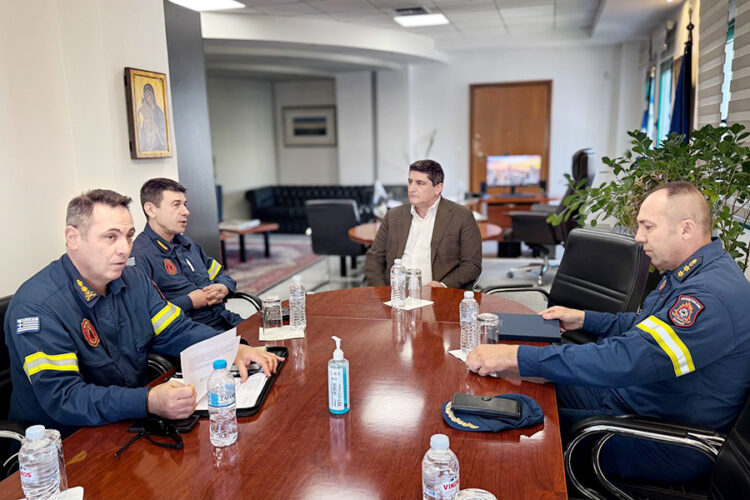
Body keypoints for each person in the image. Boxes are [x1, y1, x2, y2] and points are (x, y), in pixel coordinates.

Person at [466, 181, 750, 482]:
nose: (639, 237)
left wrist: (516, 356)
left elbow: (626, 359)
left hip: (664, 437)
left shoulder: (709, 297)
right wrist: (584, 319)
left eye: (648, 227)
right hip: (632, 396)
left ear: (686, 229)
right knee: (517, 390)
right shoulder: (689, 272)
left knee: (521, 432)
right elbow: (643, 328)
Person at [4, 189, 282, 436]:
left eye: (128, 236)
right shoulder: (36, 307)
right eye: (110, 237)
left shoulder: (133, 279)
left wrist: (230, 348)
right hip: (68, 442)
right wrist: (147, 401)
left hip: (128, 422)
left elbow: (177, 329)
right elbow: (65, 397)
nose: (124, 249)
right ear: (72, 238)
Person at [131, 178, 242, 330]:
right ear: (151, 210)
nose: (186, 212)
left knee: (270, 331)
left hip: (224, 319)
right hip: (189, 331)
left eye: (185, 205)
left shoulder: (188, 244)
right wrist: (190, 301)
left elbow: (220, 274)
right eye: (176, 204)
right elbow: (142, 314)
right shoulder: (139, 255)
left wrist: (223, 286)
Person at [365, 159, 482, 289]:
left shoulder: (461, 216)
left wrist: (443, 285)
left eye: (420, 183)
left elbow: (472, 264)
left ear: (438, 188)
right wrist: (381, 291)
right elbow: (374, 257)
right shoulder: (393, 216)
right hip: (396, 294)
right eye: (410, 182)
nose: (412, 189)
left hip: (438, 294)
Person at [137, 83, 167, 152]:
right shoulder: (143, 109)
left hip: (157, 136)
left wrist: (156, 127)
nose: (148, 97)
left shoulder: (158, 110)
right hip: (147, 135)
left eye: (149, 95)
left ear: (152, 96)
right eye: (146, 96)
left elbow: (162, 124)